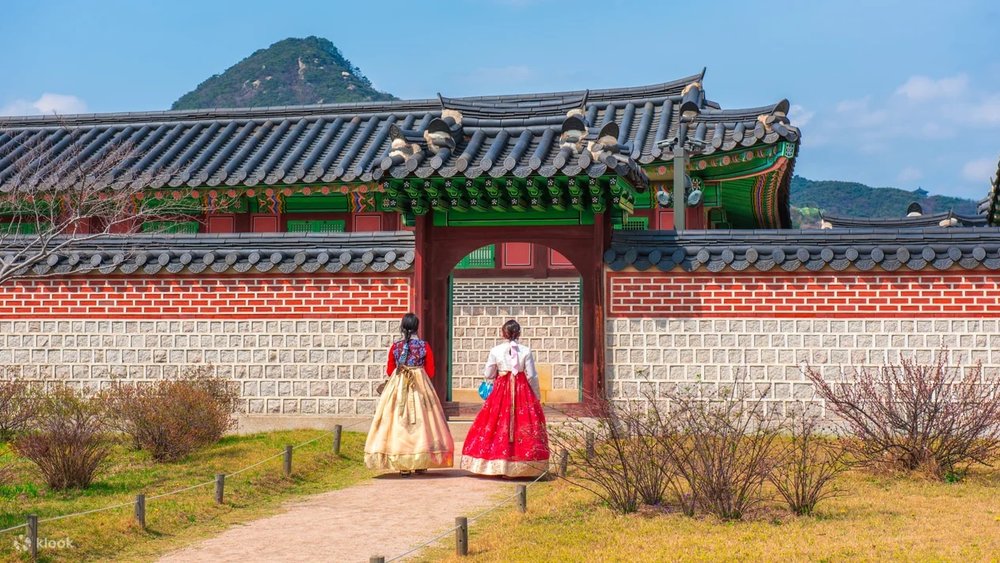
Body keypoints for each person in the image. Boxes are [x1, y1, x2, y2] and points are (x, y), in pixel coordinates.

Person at [365, 313, 454, 476]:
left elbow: (389, 370)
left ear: (402, 327)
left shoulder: (396, 346)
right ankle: (420, 461)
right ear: (417, 327)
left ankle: (402, 464)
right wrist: (419, 374)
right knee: (424, 421)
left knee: (398, 422)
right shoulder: (424, 346)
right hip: (419, 384)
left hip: (398, 384)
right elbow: (431, 370)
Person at [460, 319, 550, 477]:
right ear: (519, 333)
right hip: (522, 390)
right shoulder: (526, 350)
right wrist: (536, 395)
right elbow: (532, 376)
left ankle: (497, 465)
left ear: (503, 333)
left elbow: (488, 373)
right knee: (523, 423)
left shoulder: (496, 350)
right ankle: (525, 465)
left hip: (501, 390)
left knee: (496, 423)